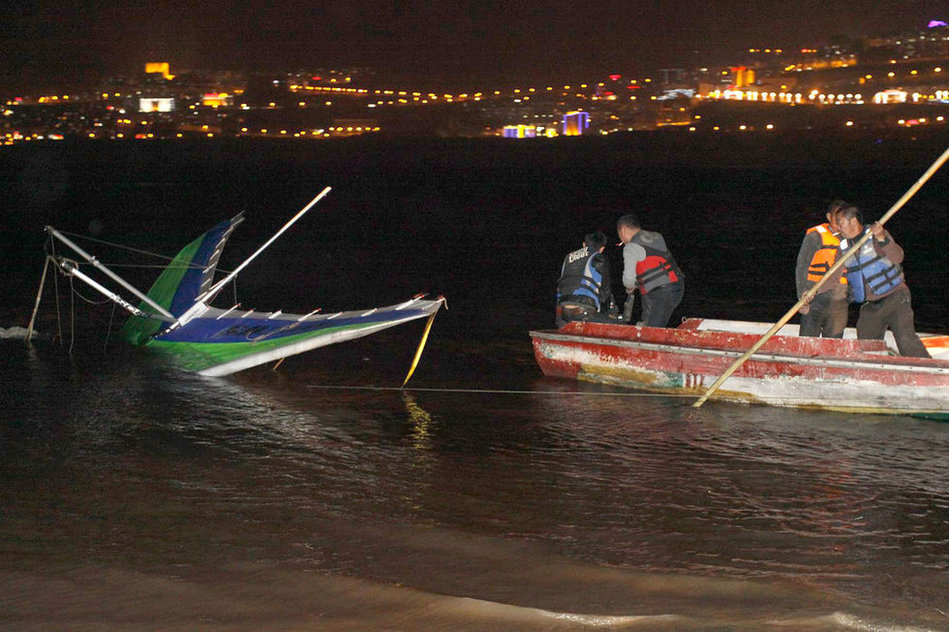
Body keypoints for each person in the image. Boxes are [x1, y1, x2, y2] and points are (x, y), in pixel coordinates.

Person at [834, 204, 930, 358]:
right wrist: (813, 293)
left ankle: (929, 373)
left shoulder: (876, 235)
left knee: (906, 341)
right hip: (871, 305)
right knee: (865, 346)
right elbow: (836, 275)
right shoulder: (844, 246)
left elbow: (898, 257)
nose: (838, 227)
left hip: (895, 297)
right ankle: (874, 371)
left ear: (853, 221)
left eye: (840, 222)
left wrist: (882, 238)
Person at [616, 214, 684, 327]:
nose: (622, 241)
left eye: (620, 237)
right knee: (646, 325)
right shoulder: (657, 236)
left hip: (662, 292)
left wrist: (630, 287)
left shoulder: (630, 247)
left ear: (623, 229)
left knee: (653, 331)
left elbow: (628, 280)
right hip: (677, 286)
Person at [795, 200, 850, 337]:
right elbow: (802, 266)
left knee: (834, 342)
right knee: (808, 340)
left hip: (839, 298)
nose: (839, 222)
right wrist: (802, 297)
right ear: (828, 217)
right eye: (836, 218)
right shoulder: (816, 236)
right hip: (814, 295)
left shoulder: (851, 239)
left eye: (842, 219)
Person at [555, 231, 619, 327]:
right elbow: (605, 293)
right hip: (584, 311)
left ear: (584, 245)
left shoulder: (568, 257)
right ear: (602, 249)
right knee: (619, 325)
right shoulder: (599, 258)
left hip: (563, 312)